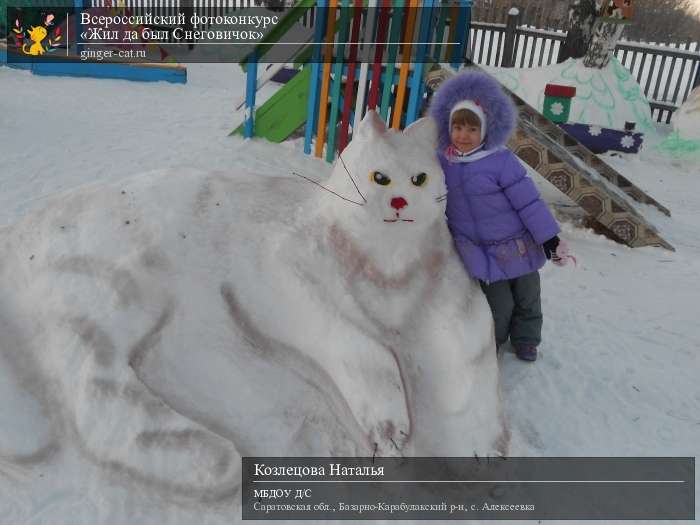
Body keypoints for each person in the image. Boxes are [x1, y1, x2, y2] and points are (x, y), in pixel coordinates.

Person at [429, 70, 562, 362]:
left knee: (528, 296)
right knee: (498, 304)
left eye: (472, 130)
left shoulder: (500, 161)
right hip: (479, 248)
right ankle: (493, 340)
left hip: (518, 243)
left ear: (486, 131)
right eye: (458, 128)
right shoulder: (441, 163)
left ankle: (527, 339)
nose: (464, 136)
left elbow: (528, 202)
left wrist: (549, 237)